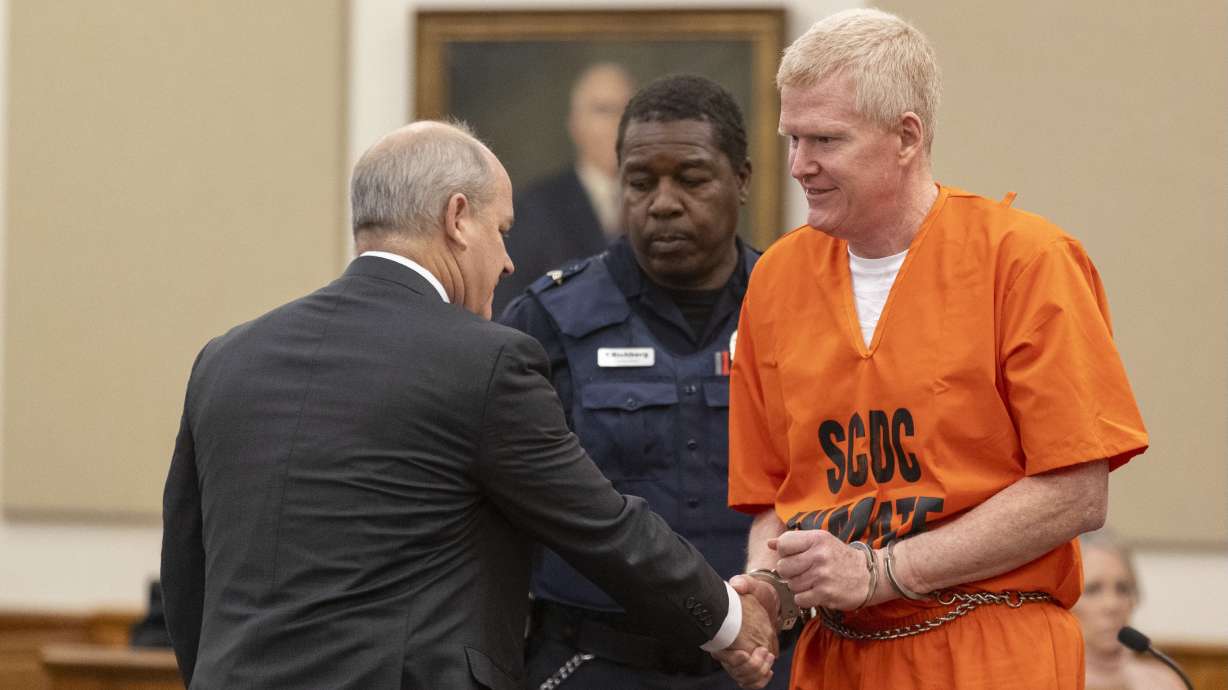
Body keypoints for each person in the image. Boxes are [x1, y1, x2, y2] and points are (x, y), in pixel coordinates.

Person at [159, 120, 778, 690]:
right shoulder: (484, 361)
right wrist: (731, 624)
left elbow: (187, 569)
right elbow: (602, 528)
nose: (509, 260)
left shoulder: (227, 358)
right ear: (457, 218)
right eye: (502, 231)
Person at [722, 8, 1149, 689]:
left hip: (992, 646)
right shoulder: (775, 278)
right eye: (792, 138)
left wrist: (882, 572)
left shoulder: (1024, 259)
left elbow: (1076, 493)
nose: (800, 166)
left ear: (906, 137)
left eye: (826, 139)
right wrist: (769, 590)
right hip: (835, 657)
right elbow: (775, 497)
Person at [501, 75, 791, 690]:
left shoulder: (798, 309)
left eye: (690, 179)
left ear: (740, 179)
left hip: (771, 664)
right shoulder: (548, 319)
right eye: (640, 182)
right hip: (595, 662)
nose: (662, 202)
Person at [492, 62, 635, 314]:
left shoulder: (657, 203)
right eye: (603, 110)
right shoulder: (536, 207)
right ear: (575, 124)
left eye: (627, 110)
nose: (618, 122)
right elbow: (514, 306)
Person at [1075, 531, 1184, 690]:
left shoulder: (1165, 682)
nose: (1112, 605)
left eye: (1123, 589)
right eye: (1092, 590)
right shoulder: (1046, 682)